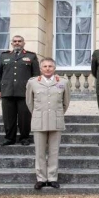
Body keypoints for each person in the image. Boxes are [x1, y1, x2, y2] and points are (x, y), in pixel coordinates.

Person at [26, 58, 71, 190]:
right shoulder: (33, 82)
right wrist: (38, 114)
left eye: (50, 66)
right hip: (39, 120)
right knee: (39, 152)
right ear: (40, 69)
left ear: (54, 68)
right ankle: (41, 178)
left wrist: (57, 113)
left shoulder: (63, 82)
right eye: (45, 66)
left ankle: (52, 177)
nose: (47, 68)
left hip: (56, 120)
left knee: (54, 151)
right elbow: (30, 103)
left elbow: (65, 102)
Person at [0, 35, 40, 146]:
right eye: (15, 41)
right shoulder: (4, 56)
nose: (17, 43)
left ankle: (24, 137)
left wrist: (35, 91)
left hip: (24, 92)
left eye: (19, 41)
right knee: (8, 117)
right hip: (7, 91)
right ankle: (9, 138)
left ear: (23, 43)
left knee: (25, 117)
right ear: (12, 43)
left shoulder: (31, 56)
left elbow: (36, 75)